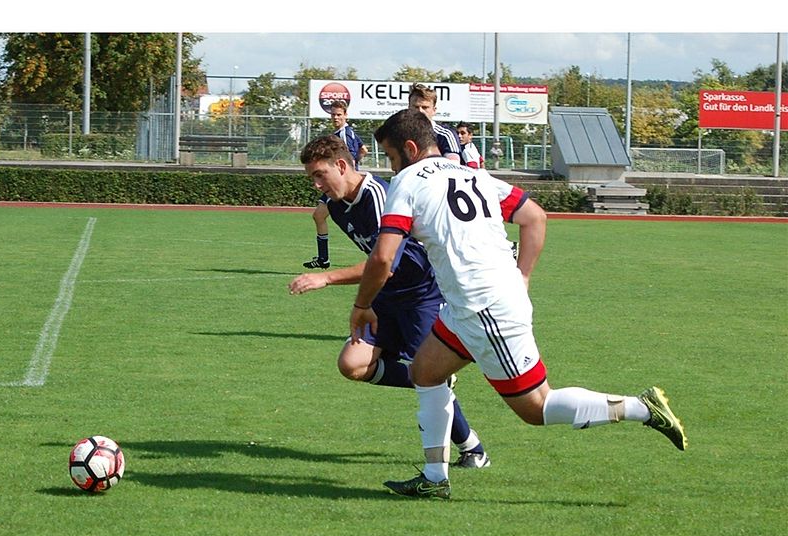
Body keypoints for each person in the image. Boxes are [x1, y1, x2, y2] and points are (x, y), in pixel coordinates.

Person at [350, 109, 688, 499]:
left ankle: (643, 408)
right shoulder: (473, 174)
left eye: (391, 156)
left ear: (410, 149)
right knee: (425, 372)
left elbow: (382, 258)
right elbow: (534, 216)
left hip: (484, 308)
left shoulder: (406, 181)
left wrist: (362, 305)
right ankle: (434, 478)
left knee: (536, 409)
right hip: (469, 306)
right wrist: (522, 275)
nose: (391, 167)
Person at [290, 134, 490, 468]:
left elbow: (388, 261)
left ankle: (473, 449)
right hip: (385, 296)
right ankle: (426, 376)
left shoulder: (379, 196)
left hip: (419, 297)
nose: (315, 184)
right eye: (311, 177)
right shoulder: (338, 206)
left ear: (342, 165)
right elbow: (378, 264)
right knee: (352, 365)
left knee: (429, 377)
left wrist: (326, 277)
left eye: (319, 174)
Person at [303, 100, 368, 270]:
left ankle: (324, 258)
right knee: (319, 216)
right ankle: (323, 258)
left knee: (326, 216)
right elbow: (364, 150)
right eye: (333, 114)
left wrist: (349, 173)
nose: (335, 117)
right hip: (339, 182)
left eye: (339, 114)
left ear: (345, 115)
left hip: (341, 183)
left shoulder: (343, 135)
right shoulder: (346, 132)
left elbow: (351, 157)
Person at [408, 83, 461, 164]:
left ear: (434, 110)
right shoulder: (401, 133)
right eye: (415, 107)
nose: (420, 111)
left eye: (425, 107)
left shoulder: (445, 135)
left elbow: (453, 166)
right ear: (409, 108)